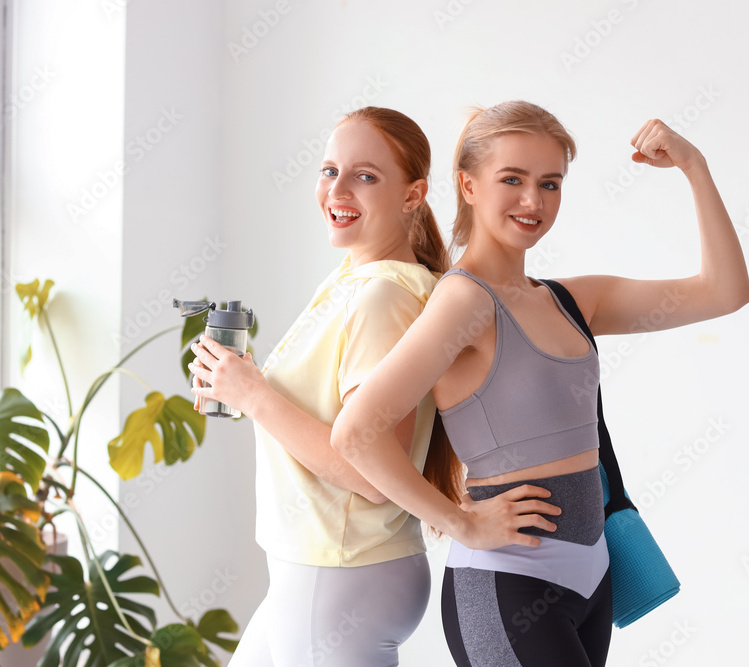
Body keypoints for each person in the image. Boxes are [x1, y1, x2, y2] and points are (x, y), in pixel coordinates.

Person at [332, 100, 749, 666]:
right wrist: (457, 521)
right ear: (469, 185)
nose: (534, 201)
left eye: (550, 183)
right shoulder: (463, 302)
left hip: (593, 578)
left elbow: (724, 292)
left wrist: (694, 165)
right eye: (513, 179)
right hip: (508, 586)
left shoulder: (569, 300)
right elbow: (356, 432)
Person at [188, 106, 558, 667]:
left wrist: (254, 396)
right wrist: (237, 382)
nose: (337, 189)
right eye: (329, 170)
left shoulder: (383, 298)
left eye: (365, 175)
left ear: (413, 196)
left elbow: (369, 475)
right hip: (322, 575)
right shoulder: (355, 278)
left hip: (337, 578)